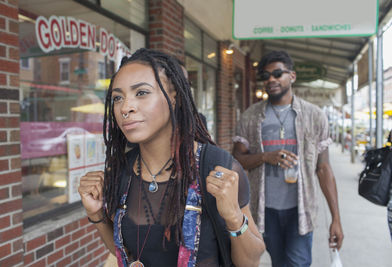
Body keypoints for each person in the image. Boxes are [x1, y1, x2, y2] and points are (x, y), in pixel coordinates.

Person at [78, 48, 265, 267]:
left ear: (174, 97)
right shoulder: (122, 172)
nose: (125, 108)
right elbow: (123, 252)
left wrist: (233, 216)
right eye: (118, 97)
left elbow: (250, 262)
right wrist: (97, 215)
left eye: (141, 93)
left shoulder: (216, 167)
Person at [232, 50, 343, 267]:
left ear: (291, 76)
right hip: (265, 210)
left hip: (301, 211)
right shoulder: (251, 116)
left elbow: (324, 169)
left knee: (298, 263)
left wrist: (336, 219)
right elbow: (236, 159)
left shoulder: (314, 115)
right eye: (266, 76)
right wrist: (265, 157)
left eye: (277, 74)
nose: (271, 80)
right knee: (279, 262)